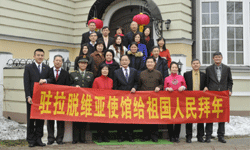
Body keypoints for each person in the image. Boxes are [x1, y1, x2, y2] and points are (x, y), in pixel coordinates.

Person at [23, 49, 51, 147]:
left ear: (44, 57)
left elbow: (51, 79)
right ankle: (31, 140)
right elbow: (26, 83)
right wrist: (28, 96)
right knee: (31, 119)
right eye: (38, 55)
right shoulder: (28, 67)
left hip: (42, 98)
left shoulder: (46, 68)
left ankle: (38, 139)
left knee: (40, 119)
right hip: (31, 98)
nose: (40, 57)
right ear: (34, 56)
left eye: (42, 55)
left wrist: (46, 80)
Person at [204, 52, 233, 143]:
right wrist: (206, 88)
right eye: (216, 57)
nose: (217, 59)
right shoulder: (209, 69)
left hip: (223, 95)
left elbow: (230, 81)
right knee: (210, 115)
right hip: (212, 95)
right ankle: (208, 136)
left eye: (219, 57)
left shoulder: (227, 68)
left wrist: (230, 90)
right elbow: (206, 81)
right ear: (213, 58)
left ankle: (221, 136)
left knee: (222, 116)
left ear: (222, 58)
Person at [138, 56, 163, 142]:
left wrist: (159, 87)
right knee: (145, 118)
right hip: (144, 100)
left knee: (154, 118)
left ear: (154, 63)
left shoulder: (158, 73)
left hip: (154, 100)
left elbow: (162, 84)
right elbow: (138, 86)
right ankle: (145, 136)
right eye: (148, 62)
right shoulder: (142, 73)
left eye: (151, 62)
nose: (149, 64)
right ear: (146, 64)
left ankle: (154, 136)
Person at [46, 55, 70, 145]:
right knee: (50, 120)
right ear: (53, 61)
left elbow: (68, 87)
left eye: (60, 61)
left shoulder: (65, 73)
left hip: (61, 100)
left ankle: (60, 138)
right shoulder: (48, 71)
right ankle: (50, 138)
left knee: (60, 120)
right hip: (50, 99)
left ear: (62, 62)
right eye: (56, 60)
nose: (58, 62)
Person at [113, 55, 138, 142]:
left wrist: (135, 87)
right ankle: (121, 136)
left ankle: (130, 136)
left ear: (129, 61)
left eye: (126, 60)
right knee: (121, 118)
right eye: (122, 60)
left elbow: (136, 82)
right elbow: (115, 86)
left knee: (130, 117)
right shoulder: (116, 72)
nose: (124, 62)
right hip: (121, 99)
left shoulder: (134, 71)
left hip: (131, 98)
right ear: (120, 62)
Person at [70, 57, 94, 144]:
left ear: (87, 65)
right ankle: (75, 138)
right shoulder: (72, 74)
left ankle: (82, 138)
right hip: (76, 99)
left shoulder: (90, 74)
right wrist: (74, 87)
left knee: (84, 118)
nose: (83, 65)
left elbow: (92, 87)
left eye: (85, 63)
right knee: (76, 118)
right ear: (78, 64)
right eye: (81, 63)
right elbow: (69, 86)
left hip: (86, 99)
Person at [183, 59, 206, 143]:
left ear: (200, 65)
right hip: (190, 99)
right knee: (189, 118)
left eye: (197, 63)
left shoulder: (204, 75)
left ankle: (200, 136)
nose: (195, 65)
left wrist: (206, 87)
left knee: (200, 118)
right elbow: (184, 85)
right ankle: (188, 136)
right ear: (191, 65)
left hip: (200, 99)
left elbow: (206, 85)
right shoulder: (186, 74)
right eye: (194, 63)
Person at [164, 62, 187, 143]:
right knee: (170, 119)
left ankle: (177, 136)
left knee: (178, 119)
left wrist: (182, 87)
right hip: (170, 101)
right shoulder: (167, 78)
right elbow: (164, 88)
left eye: (175, 67)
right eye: (172, 67)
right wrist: (167, 89)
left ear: (177, 68)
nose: (174, 69)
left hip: (179, 101)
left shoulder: (181, 77)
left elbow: (185, 86)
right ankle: (171, 136)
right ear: (170, 69)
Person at [92, 64, 112, 142]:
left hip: (108, 103)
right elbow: (94, 91)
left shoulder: (111, 80)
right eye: (103, 69)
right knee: (100, 121)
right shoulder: (97, 80)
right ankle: (99, 136)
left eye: (106, 69)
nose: (105, 71)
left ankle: (105, 136)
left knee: (107, 120)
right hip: (99, 102)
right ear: (100, 70)